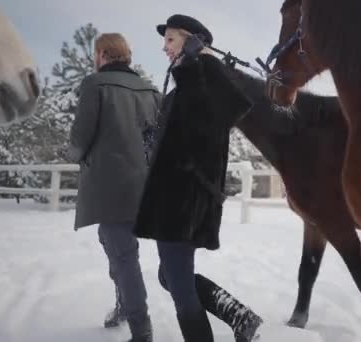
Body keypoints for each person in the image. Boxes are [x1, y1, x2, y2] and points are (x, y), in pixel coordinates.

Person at [133, 14, 263, 342]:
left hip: (182, 200)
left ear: (192, 41)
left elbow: (215, 121)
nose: (164, 48)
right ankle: (239, 315)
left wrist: (193, 63)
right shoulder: (187, 82)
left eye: (171, 40)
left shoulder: (208, 75)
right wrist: (152, 138)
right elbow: (182, 135)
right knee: (170, 275)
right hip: (173, 197)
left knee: (178, 284)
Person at [69, 33, 162, 342]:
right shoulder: (149, 89)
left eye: (96, 53)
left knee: (123, 256)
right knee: (114, 246)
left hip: (111, 187)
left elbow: (81, 136)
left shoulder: (95, 84)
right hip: (145, 186)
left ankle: (140, 328)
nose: (94, 59)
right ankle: (124, 305)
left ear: (103, 54)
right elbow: (156, 138)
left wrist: (74, 155)